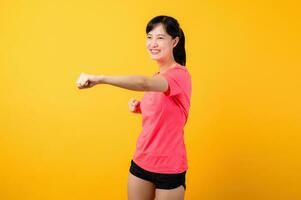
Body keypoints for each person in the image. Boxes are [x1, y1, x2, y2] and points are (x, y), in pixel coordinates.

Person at [76, 15, 191, 200]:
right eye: (149, 37)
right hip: (141, 162)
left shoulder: (179, 75)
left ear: (175, 41)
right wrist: (139, 107)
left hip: (169, 168)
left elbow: (144, 84)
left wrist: (100, 79)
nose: (153, 43)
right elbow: (163, 108)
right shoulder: (158, 76)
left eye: (160, 38)